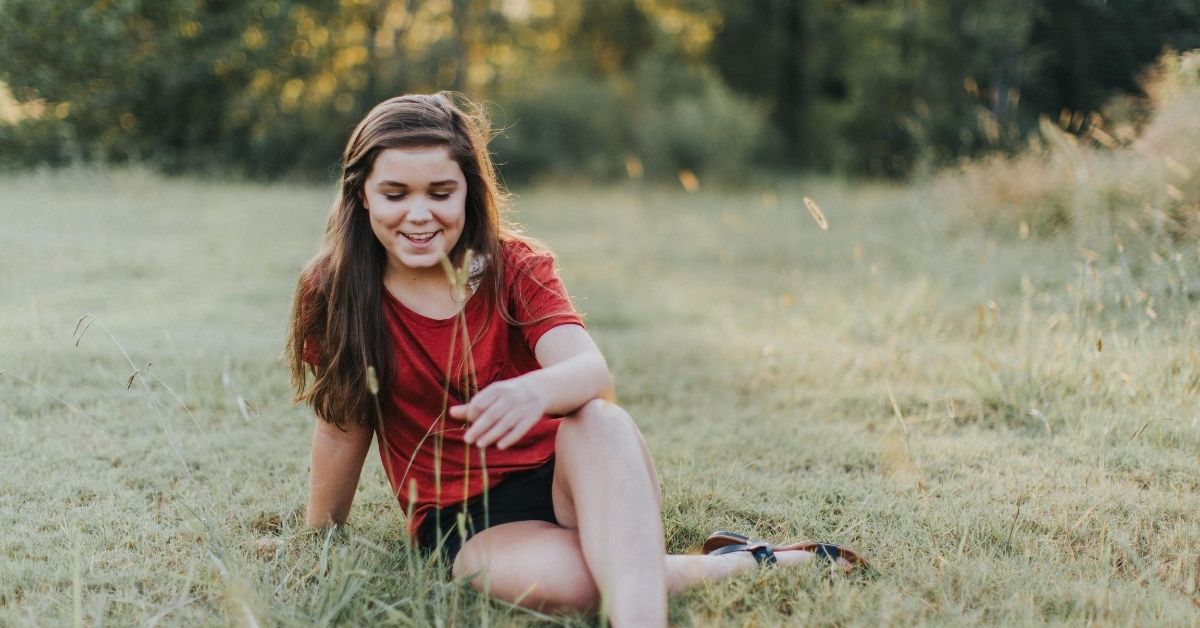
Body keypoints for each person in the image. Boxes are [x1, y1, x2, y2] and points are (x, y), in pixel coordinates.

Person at [286, 92, 864, 627]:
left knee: (599, 415)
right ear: (361, 193)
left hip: (573, 474)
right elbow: (342, 426)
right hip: (468, 520)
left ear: (469, 190)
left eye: (441, 193)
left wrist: (533, 392)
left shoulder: (517, 265)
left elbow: (592, 373)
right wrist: (320, 535)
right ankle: (740, 563)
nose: (419, 215)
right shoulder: (334, 290)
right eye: (395, 194)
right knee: (590, 582)